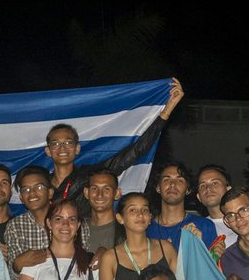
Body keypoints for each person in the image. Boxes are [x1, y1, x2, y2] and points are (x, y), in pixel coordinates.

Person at [46, 78, 183, 208]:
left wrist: (167, 110)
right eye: (56, 144)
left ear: (77, 149)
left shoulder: (91, 175)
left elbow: (135, 151)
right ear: (48, 150)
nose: (62, 148)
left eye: (68, 143)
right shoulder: (40, 183)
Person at [145, 160, 218, 256]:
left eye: (180, 180)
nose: (172, 184)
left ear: (188, 189)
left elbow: (210, 268)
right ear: (158, 187)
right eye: (167, 179)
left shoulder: (204, 226)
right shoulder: (145, 228)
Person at [194, 164, 238, 251]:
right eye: (202, 185)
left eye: (215, 183)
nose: (208, 188)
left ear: (228, 189)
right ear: (199, 197)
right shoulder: (196, 229)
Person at [83, 170, 120, 253]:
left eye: (106, 189)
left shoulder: (126, 231)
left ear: (117, 193)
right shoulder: (74, 229)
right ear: (86, 192)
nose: (100, 195)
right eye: (94, 188)